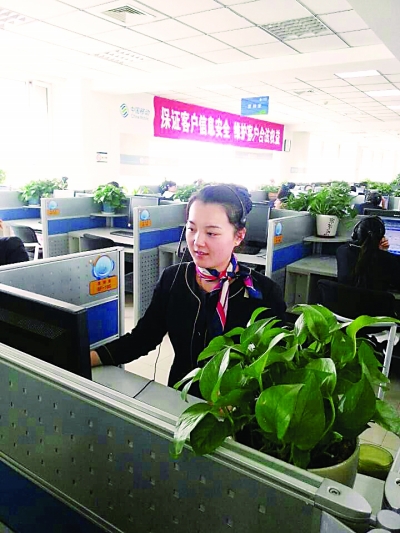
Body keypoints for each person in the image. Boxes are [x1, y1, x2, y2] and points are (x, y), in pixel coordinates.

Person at [90, 184, 286, 392]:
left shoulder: (263, 293)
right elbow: (142, 338)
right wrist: (87, 357)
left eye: (211, 233)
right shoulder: (173, 279)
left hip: (235, 406)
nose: (197, 242)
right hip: (180, 397)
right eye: (191, 229)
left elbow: (275, 368)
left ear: (238, 236)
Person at [336, 216, 400, 291]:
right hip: (375, 299)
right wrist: (383, 251)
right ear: (381, 238)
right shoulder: (389, 260)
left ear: (355, 234)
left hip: (347, 298)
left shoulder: (342, 251)